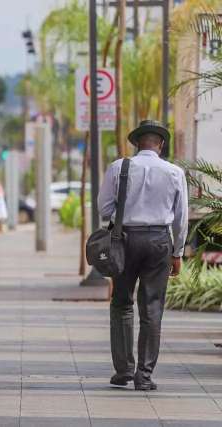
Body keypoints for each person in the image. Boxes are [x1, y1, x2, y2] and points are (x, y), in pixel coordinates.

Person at [98, 120, 188, 391]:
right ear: (160, 144)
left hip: (124, 240)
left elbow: (104, 209)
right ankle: (144, 376)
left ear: (137, 143)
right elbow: (181, 218)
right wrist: (177, 252)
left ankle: (123, 369)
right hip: (159, 241)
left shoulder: (119, 167)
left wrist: (123, 217)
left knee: (122, 302)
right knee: (151, 309)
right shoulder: (174, 172)